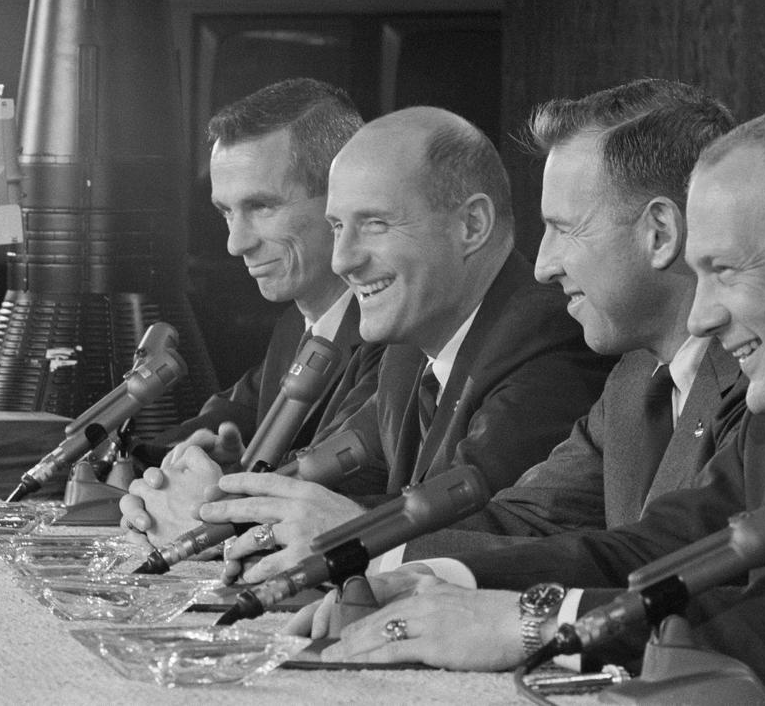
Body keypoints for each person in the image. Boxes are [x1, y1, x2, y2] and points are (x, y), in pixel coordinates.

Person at [300, 104, 765, 706]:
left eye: (724, 271)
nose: (704, 314)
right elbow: (648, 550)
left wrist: (534, 623)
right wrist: (442, 583)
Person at [122, 106, 613, 578]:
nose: (342, 260)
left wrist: (224, 521)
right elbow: (331, 477)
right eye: (338, 227)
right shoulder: (407, 349)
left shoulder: (547, 339)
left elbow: (473, 523)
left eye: (375, 224)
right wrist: (212, 493)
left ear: (472, 226)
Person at [400, 79, 747, 562]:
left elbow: (659, 559)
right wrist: (354, 545)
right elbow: (524, 520)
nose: (543, 265)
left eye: (564, 229)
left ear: (660, 233)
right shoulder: (631, 376)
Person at [122, 80, 382, 533]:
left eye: (261, 207)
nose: (235, 242)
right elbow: (226, 417)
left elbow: (340, 503)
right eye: (226, 211)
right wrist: (156, 475)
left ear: (345, 197)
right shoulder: (295, 326)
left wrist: (214, 499)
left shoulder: (394, 335)